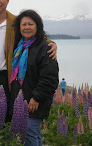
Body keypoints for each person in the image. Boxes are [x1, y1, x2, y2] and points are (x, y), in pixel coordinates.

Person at [10, 10, 59, 146]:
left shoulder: (45, 48)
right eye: (23, 24)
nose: (27, 27)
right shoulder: (18, 47)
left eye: (30, 24)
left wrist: (36, 97)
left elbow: (50, 78)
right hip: (21, 99)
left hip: (35, 101)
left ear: (37, 26)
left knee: (30, 132)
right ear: (19, 27)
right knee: (32, 135)